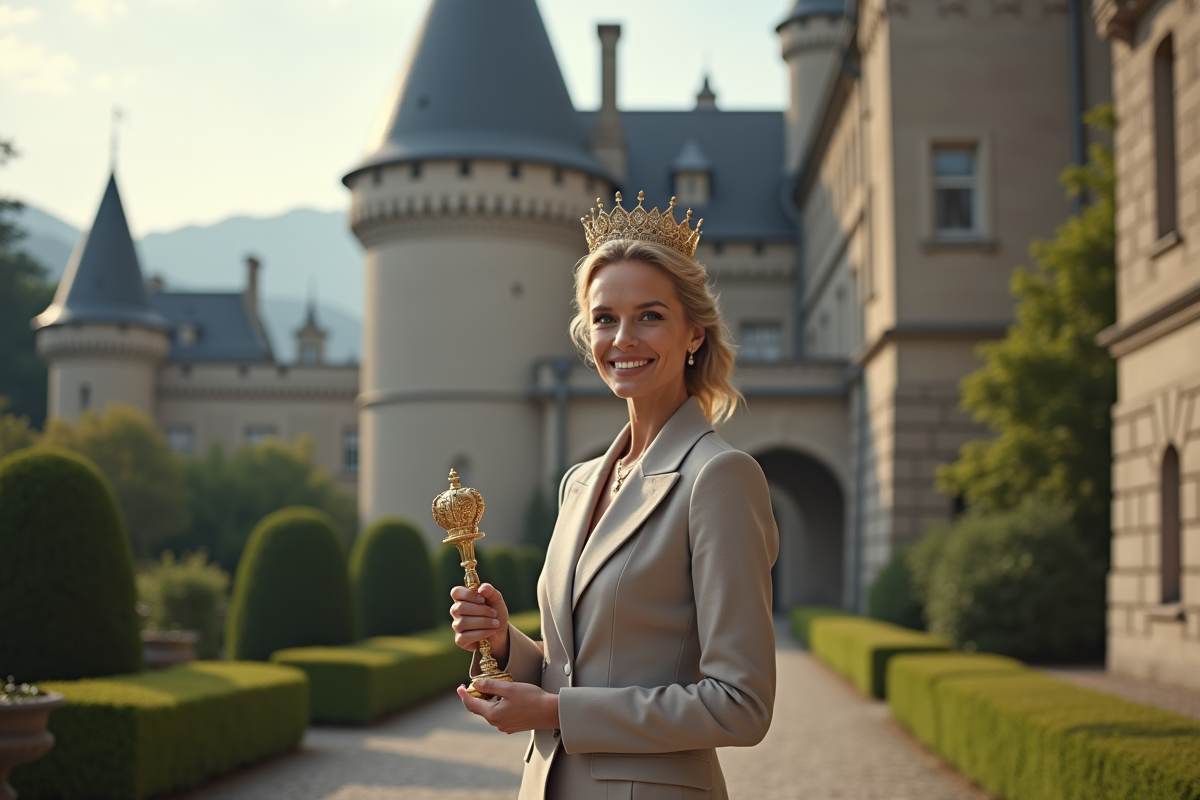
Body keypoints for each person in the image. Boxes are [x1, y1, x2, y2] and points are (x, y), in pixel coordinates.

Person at [449, 192, 779, 800]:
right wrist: (503, 644)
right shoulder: (580, 483)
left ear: (693, 336)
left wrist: (554, 714)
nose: (623, 337)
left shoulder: (720, 478)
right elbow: (571, 670)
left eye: (650, 315)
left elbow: (741, 705)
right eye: (605, 318)